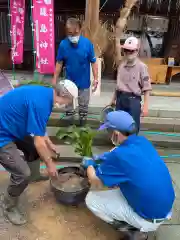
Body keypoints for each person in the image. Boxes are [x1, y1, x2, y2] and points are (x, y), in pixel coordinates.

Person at [82, 111, 175, 240]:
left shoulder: (120, 156)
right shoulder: (142, 142)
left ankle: (132, 231)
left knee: (92, 200)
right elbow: (116, 152)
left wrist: (90, 166)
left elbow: (95, 182)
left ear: (116, 134)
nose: (108, 135)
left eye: (108, 131)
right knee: (123, 182)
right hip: (164, 208)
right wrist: (104, 158)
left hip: (148, 217)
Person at [0, 80, 78, 225]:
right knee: (22, 173)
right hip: (2, 133)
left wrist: (49, 143)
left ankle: (34, 176)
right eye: (69, 101)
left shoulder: (45, 95)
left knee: (34, 150)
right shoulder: (42, 103)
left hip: (12, 125)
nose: (67, 104)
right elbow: (38, 142)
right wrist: (50, 163)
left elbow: (39, 127)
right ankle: (8, 206)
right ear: (62, 94)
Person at [53, 17, 98, 126]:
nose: (73, 36)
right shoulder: (63, 45)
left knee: (83, 107)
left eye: (75, 33)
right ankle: (69, 128)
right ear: (67, 32)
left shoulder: (87, 44)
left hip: (84, 82)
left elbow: (93, 62)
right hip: (69, 82)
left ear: (80, 29)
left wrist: (96, 78)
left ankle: (82, 127)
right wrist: (54, 79)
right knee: (68, 107)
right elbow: (59, 63)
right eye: (70, 34)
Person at [110, 37, 152, 132]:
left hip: (133, 100)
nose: (128, 53)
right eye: (126, 50)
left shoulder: (142, 67)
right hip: (120, 98)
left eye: (131, 50)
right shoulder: (121, 66)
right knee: (119, 125)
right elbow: (118, 85)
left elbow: (146, 87)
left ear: (137, 51)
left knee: (132, 126)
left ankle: (132, 144)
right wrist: (113, 99)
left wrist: (146, 105)